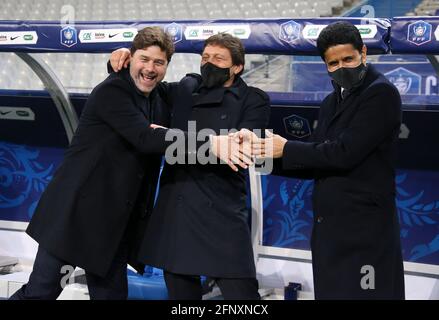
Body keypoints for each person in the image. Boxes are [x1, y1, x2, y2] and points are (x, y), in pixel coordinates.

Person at [10, 27, 243, 300]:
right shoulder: (112, 91)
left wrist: (202, 75)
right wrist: (213, 144)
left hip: (113, 228)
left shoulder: (159, 97)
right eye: (143, 59)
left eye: (159, 62)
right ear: (131, 58)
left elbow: (190, 83)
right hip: (75, 218)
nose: (150, 68)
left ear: (167, 65)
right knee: (41, 294)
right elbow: (145, 137)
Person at [242, 21, 405, 299]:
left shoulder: (381, 93)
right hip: (330, 233)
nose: (342, 67)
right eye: (334, 63)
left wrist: (286, 148)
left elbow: (343, 153)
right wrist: (261, 154)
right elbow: (319, 156)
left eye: (348, 59)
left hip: (365, 234)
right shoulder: (331, 101)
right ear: (325, 65)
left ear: (363, 52)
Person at [110, 33, 270, 300]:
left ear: (237, 67)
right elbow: (143, 84)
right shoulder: (186, 88)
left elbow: (243, 149)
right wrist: (124, 58)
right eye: (205, 57)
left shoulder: (254, 99)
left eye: (218, 59)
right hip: (178, 209)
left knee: (243, 296)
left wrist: (172, 140)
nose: (208, 63)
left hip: (224, 211)